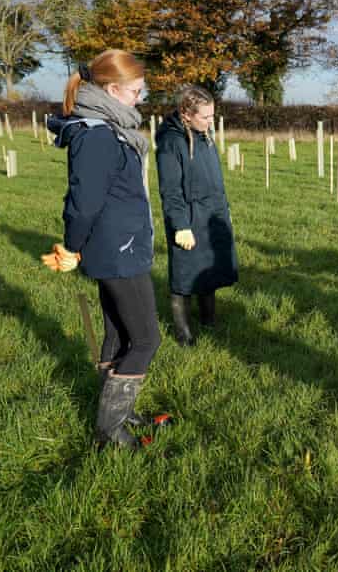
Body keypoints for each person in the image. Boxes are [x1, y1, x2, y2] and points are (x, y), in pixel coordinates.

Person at [45, 49, 163, 449]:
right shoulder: (97, 134)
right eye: (134, 91)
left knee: (120, 332)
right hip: (118, 250)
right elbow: (83, 201)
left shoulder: (108, 126)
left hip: (121, 245)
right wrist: (72, 247)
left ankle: (118, 414)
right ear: (112, 90)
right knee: (146, 339)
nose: (139, 99)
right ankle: (110, 429)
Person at [155, 86, 238, 347]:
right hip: (188, 218)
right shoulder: (171, 142)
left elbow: (216, 181)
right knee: (184, 276)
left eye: (212, 116)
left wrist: (225, 210)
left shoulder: (204, 137)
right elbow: (170, 190)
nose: (210, 122)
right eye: (205, 117)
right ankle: (183, 336)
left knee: (208, 270)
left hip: (212, 214)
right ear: (186, 114)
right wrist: (180, 225)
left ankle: (209, 322)